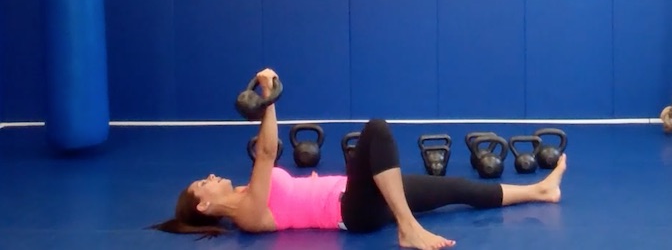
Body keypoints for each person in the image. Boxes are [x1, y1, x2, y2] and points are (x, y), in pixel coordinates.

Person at [150, 68, 567, 250]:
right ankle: (408, 228)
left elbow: (264, 156)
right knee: (377, 129)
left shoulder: (244, 194)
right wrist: (268, 97)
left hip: (361, 194)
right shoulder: (246, 213)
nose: (207, 177)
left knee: (458, 189)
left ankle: (539, 190)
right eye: (201, 184)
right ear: (204, 205)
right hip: (352, 209)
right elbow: (265, 152)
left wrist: (266, 93)